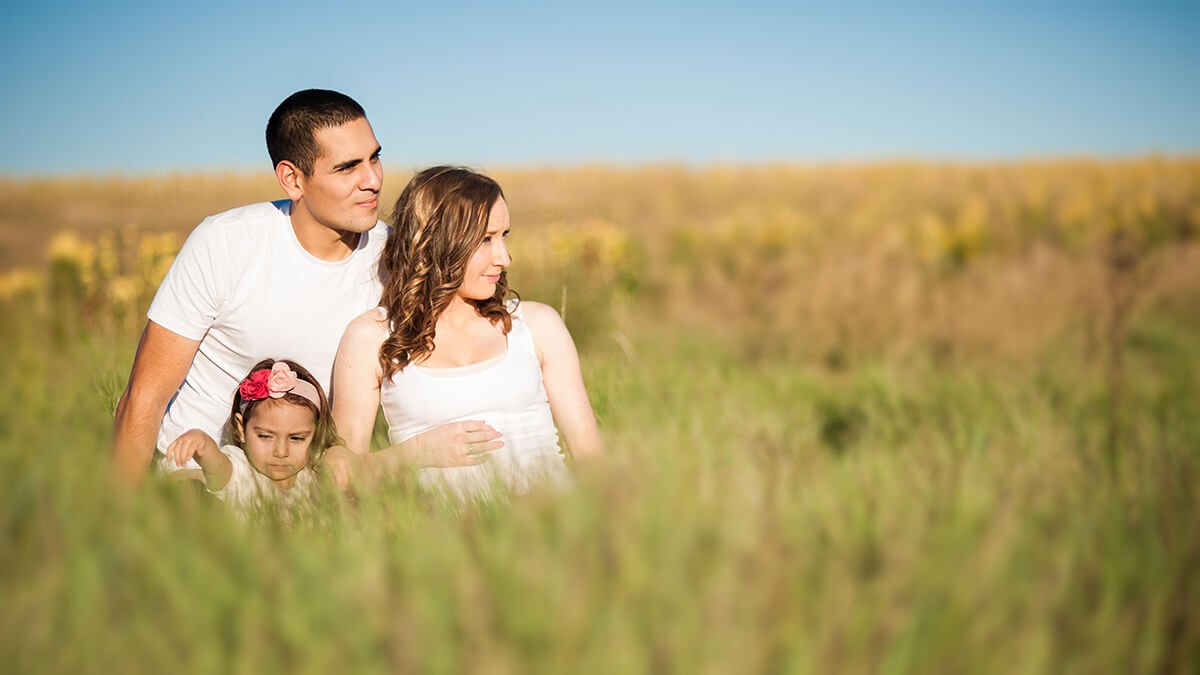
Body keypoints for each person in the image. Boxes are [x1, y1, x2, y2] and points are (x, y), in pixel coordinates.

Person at [112, 90, 499, 486]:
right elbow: (145, 396)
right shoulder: (224, 243)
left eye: (374, 158)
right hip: (198, 479)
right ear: (293, 179)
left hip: (307, 487)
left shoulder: (396, 257)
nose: (372, 180)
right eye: (347, 168)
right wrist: (124, 514)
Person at [332, 166, 602, 502]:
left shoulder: (536, 325)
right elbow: (337, 476)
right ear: (438, 241)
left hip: (550, 529)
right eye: (485, 239)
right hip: (440, 543)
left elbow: (592, 464)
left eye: (504, 236)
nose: (503, 257)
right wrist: (417, 453)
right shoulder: (371, 337)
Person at [165, 359, 335, 517]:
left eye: (296, 438)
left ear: (316, 433)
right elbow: (218, 467)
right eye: (265, 436)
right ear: (241, 429)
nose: (281, 451)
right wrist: (202, 444)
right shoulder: (242, 472)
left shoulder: (314, 474)